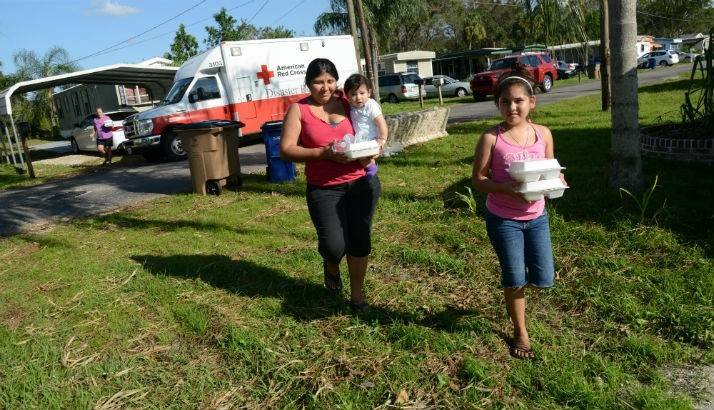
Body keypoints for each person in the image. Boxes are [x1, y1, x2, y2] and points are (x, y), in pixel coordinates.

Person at [471, 67, 567, 359]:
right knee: (514, 276)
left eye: (518, 101)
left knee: (544, 277)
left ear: (531, 103)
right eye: (504, 102)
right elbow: (478, 180)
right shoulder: (492, 138)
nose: (511, 107)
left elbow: (550, 169)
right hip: (504, 219)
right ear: (497, 104)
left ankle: (518, 305)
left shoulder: (543, 134)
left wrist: (558, 181)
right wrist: (506, 189)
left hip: (537, 216)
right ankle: (521, 332)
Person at [280, 58, 382, 313]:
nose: (325, 87)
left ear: (336, 81)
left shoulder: (350, 101)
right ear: (308, 83)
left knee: (360, 240)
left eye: (330, 81)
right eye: (318, 82)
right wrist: (322, 154)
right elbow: (286, 149)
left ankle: (357, 296)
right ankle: (331, 264)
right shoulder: (299, 110)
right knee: (333, 245)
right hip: (324, 188)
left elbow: (373, 126)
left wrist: (375, 149)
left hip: (361, 182)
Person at [343, 73, 388, 178]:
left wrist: (382, 139)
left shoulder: (370, 106)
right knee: (357, 155)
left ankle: (371, 169)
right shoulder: (352, 106)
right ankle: (369, 169)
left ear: (369, 93)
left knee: (363, 156)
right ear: (348, 96)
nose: (358, 97)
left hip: (371, 138)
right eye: (353, 94)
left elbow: (381, 123)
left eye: (362, 93)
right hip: (361, 137)